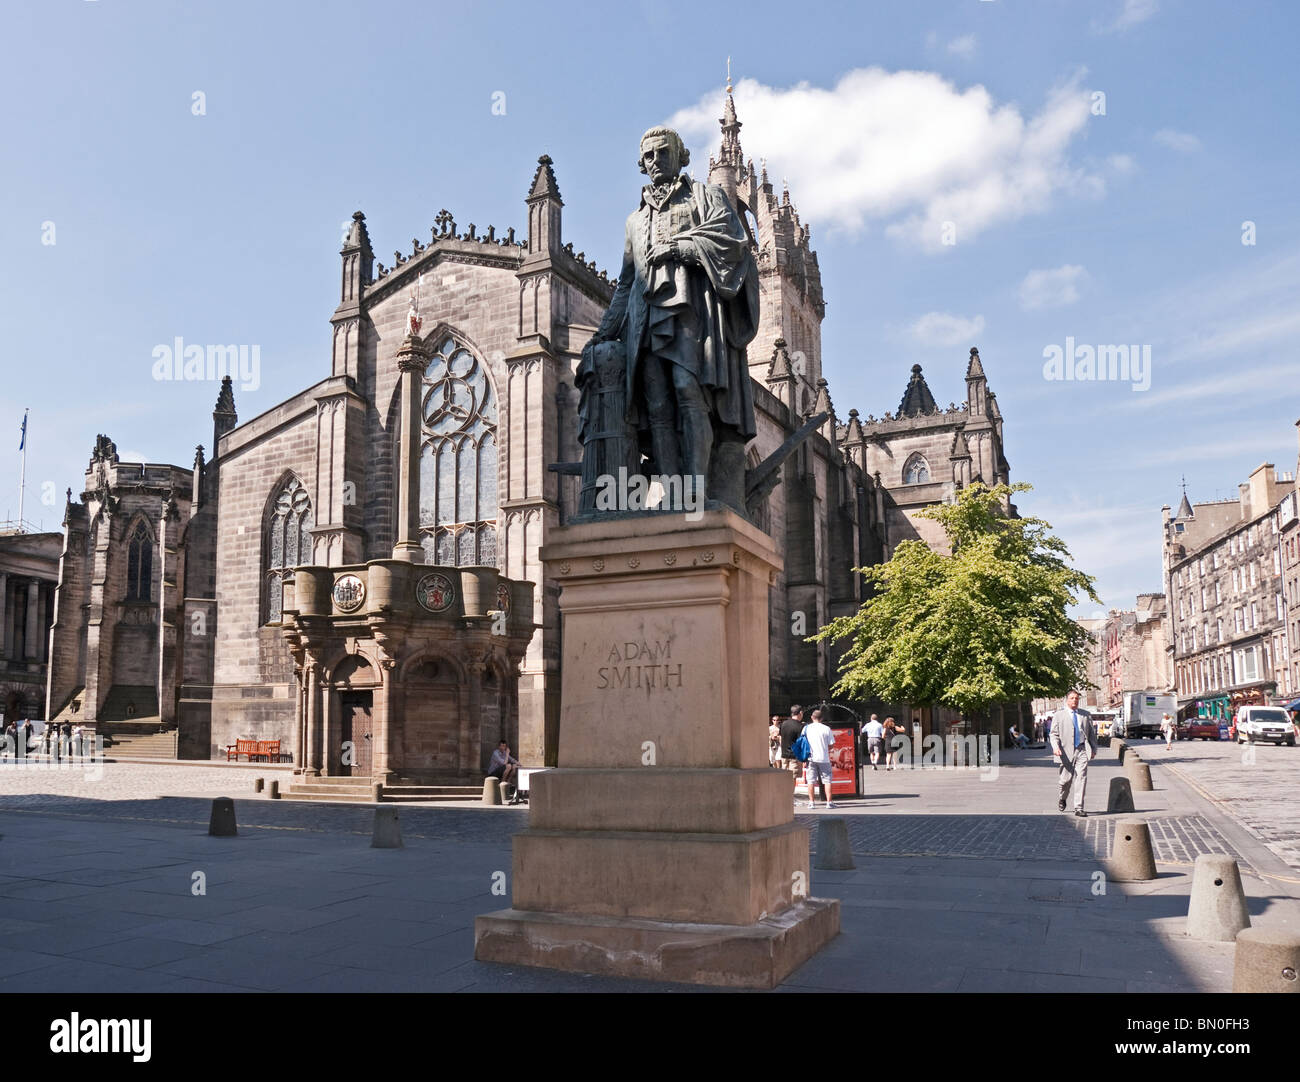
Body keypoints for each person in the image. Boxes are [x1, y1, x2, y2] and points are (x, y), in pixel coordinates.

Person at [587, 126, 760, 516]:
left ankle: (695, 493)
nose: (655, 162)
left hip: (693, 314)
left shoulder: (705, 196)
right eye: (647, 156)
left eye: (662, 153)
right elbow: (627, 281)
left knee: (688, 390)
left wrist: (683, 247)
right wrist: (601, 334)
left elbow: (734, 245)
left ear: (680, 155)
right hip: (645, 320)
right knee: (657, 407)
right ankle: (674, 495)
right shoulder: (635, 220)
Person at [1050, 689, 1097, 817]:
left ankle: (1079, 807)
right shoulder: (1059, 715)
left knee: (1081, 777)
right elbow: (1053, 734)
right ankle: (1062, 798)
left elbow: (1091, 734)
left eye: (1076, 698)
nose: (1074, 700)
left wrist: (1093, 749)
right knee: (1066, 781)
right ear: (1067, 700)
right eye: (1072, 698)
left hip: (1081, 750)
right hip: (1065, 752)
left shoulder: (1085, 715)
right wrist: (1055, 747)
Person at [802, 708, 836, 809]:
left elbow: (803, 743)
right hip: (824, 758)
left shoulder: (806, 728)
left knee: (811, 780)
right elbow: (831, 745)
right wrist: (825, 748)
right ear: (821, 718)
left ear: (812, 717)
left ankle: (811, 802)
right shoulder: (826, 729)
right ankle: (829, 802)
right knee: (827, 780)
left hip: (810, 758)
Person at [779, 705, 805, 774]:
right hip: (794, 756)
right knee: (793, 777)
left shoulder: (783, 724)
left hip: (784, 754)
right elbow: (801, 742)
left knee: (784, 777)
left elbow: (781, 737)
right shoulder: (800, 726)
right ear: (800, 713)